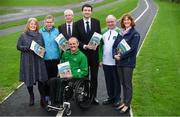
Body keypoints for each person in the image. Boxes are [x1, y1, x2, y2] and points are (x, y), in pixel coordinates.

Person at [16, 18, 48, 107]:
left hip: (38, 60)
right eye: (31, 24)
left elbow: (43, 47)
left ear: (37, 25)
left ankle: (42, 97)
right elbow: (18, 46)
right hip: (28, 60)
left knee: (41, 80)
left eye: (35, 24)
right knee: (29, 79)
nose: (33, 25)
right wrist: (27, 47)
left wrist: (42, 51)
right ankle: (31, 96)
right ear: (28, 25)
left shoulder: (40, 35)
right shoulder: (23, 35)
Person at [112, 14, 140, 113]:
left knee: (127, 84)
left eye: (128, 20)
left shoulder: (135, 34)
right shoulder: (120, 33)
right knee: (123, 83)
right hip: (119, 62)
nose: (126, 22)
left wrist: (121, 56)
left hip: (128, 63)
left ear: (131, 21)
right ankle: (124, 102)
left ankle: (127, 105)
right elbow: (114, 46)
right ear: (123, 22)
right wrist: (114, 55)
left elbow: (133, 50)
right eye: (124, 20)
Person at [49, 37, 88, 106]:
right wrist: (60, 71)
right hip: (64, 74)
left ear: (78, 44)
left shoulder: (82, 56)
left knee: (61, 82)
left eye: (74, 44)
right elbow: (62, 63)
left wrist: (73, 75)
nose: (72, 46)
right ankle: (52, 101)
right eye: (70, 44)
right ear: (68, 45)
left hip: (74, 77)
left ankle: (59, 102)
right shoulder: (65, 53)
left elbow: (84, 71)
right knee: (52, 80)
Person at [75, 4, 101, 104]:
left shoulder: (96, 22)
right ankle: (85, 96)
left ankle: (93, 96)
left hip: (94, 54)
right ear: (82, 11)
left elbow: (98, 36)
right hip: (83, 54)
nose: (87, 12)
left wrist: (96, 44)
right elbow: (77, 39)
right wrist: (85, 46)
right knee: (84, 76)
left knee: (94, 77)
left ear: (91, 12)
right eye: (85, 10)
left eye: (89, 10)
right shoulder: (77, 24)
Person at [99, 15, 121, 106]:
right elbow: (100, 47)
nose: (110, 23)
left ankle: (117, 98)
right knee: (108, 81)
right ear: (106, 22)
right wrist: (100, 59)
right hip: (105, 61)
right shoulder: (103, 32)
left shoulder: (120, 32)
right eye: (108, 22)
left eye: (112, 21)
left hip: (116, 62)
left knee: (116, 80)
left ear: (115, 22)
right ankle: (110, 97)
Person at [39, 15, 60, 102]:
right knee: (45, 79)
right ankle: (46, 96)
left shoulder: (57, 31)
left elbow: (62, 44)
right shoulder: (40, 32)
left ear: (53, 22)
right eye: (47, 22)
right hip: (45, 60)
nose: (49, 24)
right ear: (44, 22)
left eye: (50, 22)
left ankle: (53, 96)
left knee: (54, 79)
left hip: (55, 59)